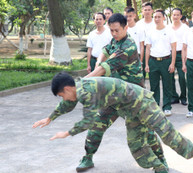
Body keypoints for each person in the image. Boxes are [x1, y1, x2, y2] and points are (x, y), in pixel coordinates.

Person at [33, 72, 193, 173]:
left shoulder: (85, 91)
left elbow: (88, 120)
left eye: (61, 95)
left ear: (67, 88)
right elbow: (67, 104)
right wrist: (50, 118)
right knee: (136, 146)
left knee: (169, 136)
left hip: (143, 104)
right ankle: (160, 168)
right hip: (131, 110)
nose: (62, 99)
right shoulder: (79, 88)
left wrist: (67, 133)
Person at [60, 13, 168, 172]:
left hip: (133, 99)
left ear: (126, 27)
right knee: (97, 124)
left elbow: (104, 69)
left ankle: (161, 160)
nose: (114, 33)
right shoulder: (115, 40)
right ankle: (88, 157)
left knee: (147, 132)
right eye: (111, 30)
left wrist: (82, 82)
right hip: (114, 97)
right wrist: (99, 60)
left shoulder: (128, 46)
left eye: (117, 30)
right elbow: (105, 49)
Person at [145, 9, 176, 116]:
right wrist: (147, 64)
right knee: (154, 85)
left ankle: (167, 107)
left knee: (167, 85)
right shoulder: (150, 31)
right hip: (153, 61)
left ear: (164, 18)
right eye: (155, 17)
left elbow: (173, 48)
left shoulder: (170, 31)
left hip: (166, 60)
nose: (157, 19)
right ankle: (155, 106)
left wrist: (172, 63)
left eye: (159, 17)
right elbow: (148, 48)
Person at [170, 8, 189, 106]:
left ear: (181, 16)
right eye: (174, 15)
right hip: (169, 54)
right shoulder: (168, 27)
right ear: (171, 16)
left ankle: (183, 97)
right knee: (170, 77)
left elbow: (187, 43)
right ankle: (174, 96)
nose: (176, 17)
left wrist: (185, 57)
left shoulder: (185, 28)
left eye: (178, 15)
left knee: (182, 77)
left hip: (181, 54)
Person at [136, 1, 156, 80]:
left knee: (154, 74)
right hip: (142, 49)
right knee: (141, 74)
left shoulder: (156, 22)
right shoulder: (138, 24)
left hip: (154, 49)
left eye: (149, 10)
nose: (147, 12)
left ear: (152, 11)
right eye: (145, 10)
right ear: (142, 11)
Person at [124, 7, 145, 75]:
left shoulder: (140, 29)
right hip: (124, 56)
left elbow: (142, 46)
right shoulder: (122, 29)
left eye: (130, 16)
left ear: (134, 16)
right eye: (126, 16)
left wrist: (141, 61)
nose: (128, 18)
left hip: (136, 56)